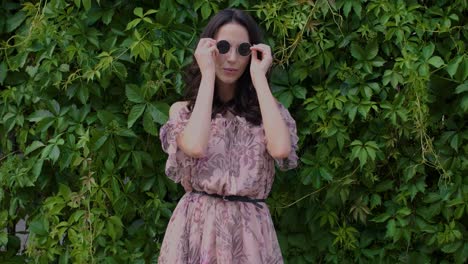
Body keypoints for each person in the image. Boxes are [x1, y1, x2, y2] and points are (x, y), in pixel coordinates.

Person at [158, 8, 298, 264]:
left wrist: (259, 77)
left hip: (249, 233)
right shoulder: (184, 111)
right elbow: (195, 146)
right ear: (209, 48)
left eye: (243, 50)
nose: (232, 58)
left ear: (252, 54)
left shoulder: (266, 111)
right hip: (197, 229)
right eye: (223, 47)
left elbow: (281, 150)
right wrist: (208, 72)